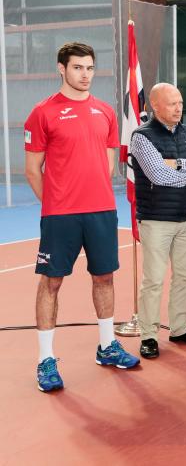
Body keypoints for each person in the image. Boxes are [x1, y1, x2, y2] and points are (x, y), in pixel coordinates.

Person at [24, 42, 139, 392]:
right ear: (62, 69)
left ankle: (107, 347)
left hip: (102, 211)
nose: (85, 74)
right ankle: (46, 360)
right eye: (77, 68)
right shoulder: (42, 113)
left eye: (89, 68)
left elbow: (106, 165)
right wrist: (57, 204)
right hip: (61, 216)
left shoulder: (104, 112)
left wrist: (91, 195)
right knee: (52, 283)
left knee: (104, 278)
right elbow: (32, 170)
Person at [130, 83, 186, 359]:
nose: (179, 108)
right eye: (172, 103)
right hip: (156, 220)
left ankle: (180, 328)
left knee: (184, 276)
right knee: (153, 279)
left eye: (180, 102)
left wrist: (177, 164)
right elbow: (158, 176)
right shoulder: (141, 137)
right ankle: (149, 335)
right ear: (155, 106)